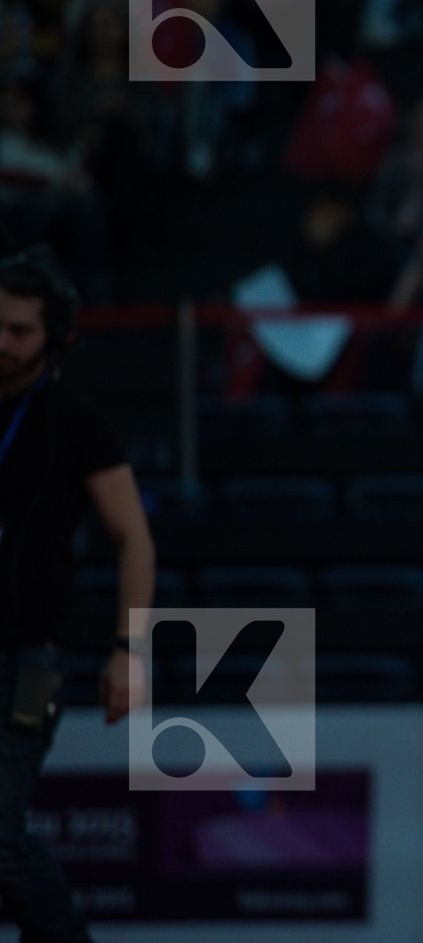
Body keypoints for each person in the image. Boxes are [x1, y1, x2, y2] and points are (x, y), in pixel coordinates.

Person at [0, 250, 157, 942]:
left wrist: (129, 650)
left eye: (19, 332)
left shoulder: (74, 421)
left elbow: (135, 540)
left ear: (54, 338)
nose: (1, 344)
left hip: (32, 651)